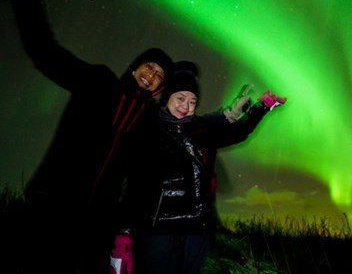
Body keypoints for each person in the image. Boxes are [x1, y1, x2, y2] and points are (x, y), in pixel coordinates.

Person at [5, 0, 174, 274]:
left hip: (97, 222)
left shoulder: (148, 121)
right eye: (148, 66)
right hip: (52, 205)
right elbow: (45, 51)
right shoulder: (99, 81)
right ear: (136, 65)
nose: (151, 75)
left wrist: (124, 231)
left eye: (159, 76)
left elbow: (139, 181)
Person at [113, 61, 287, 274]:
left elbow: (239, 132)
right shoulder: (148, 130)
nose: (185, 106)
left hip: (197, 229)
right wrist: (124, 233)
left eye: (192, 101)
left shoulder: (202, 131)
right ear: (167, 98)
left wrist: (262, 106)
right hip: (158, 229)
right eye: (180, 98)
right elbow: (133, 185)